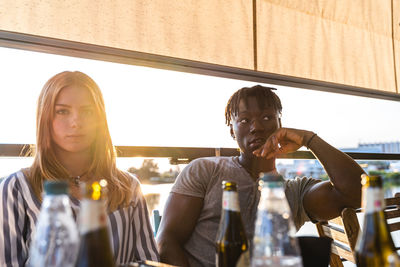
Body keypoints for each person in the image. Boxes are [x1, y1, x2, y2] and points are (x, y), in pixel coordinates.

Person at [156, 85, 364, 267]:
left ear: (279, 123)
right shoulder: (204, 170)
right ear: (232, 130)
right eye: (245, 120)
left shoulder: (293, 192)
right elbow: (167, 241)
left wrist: (309, 139)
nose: (257, 127)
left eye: (267, 117)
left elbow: (357, 194)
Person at [0, 71, 159, 266]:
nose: (76, 122)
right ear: (45, 119)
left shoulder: (128, 187)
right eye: (63, 111)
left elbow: (148, 260)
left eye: (87, 112)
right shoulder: (16, 188)